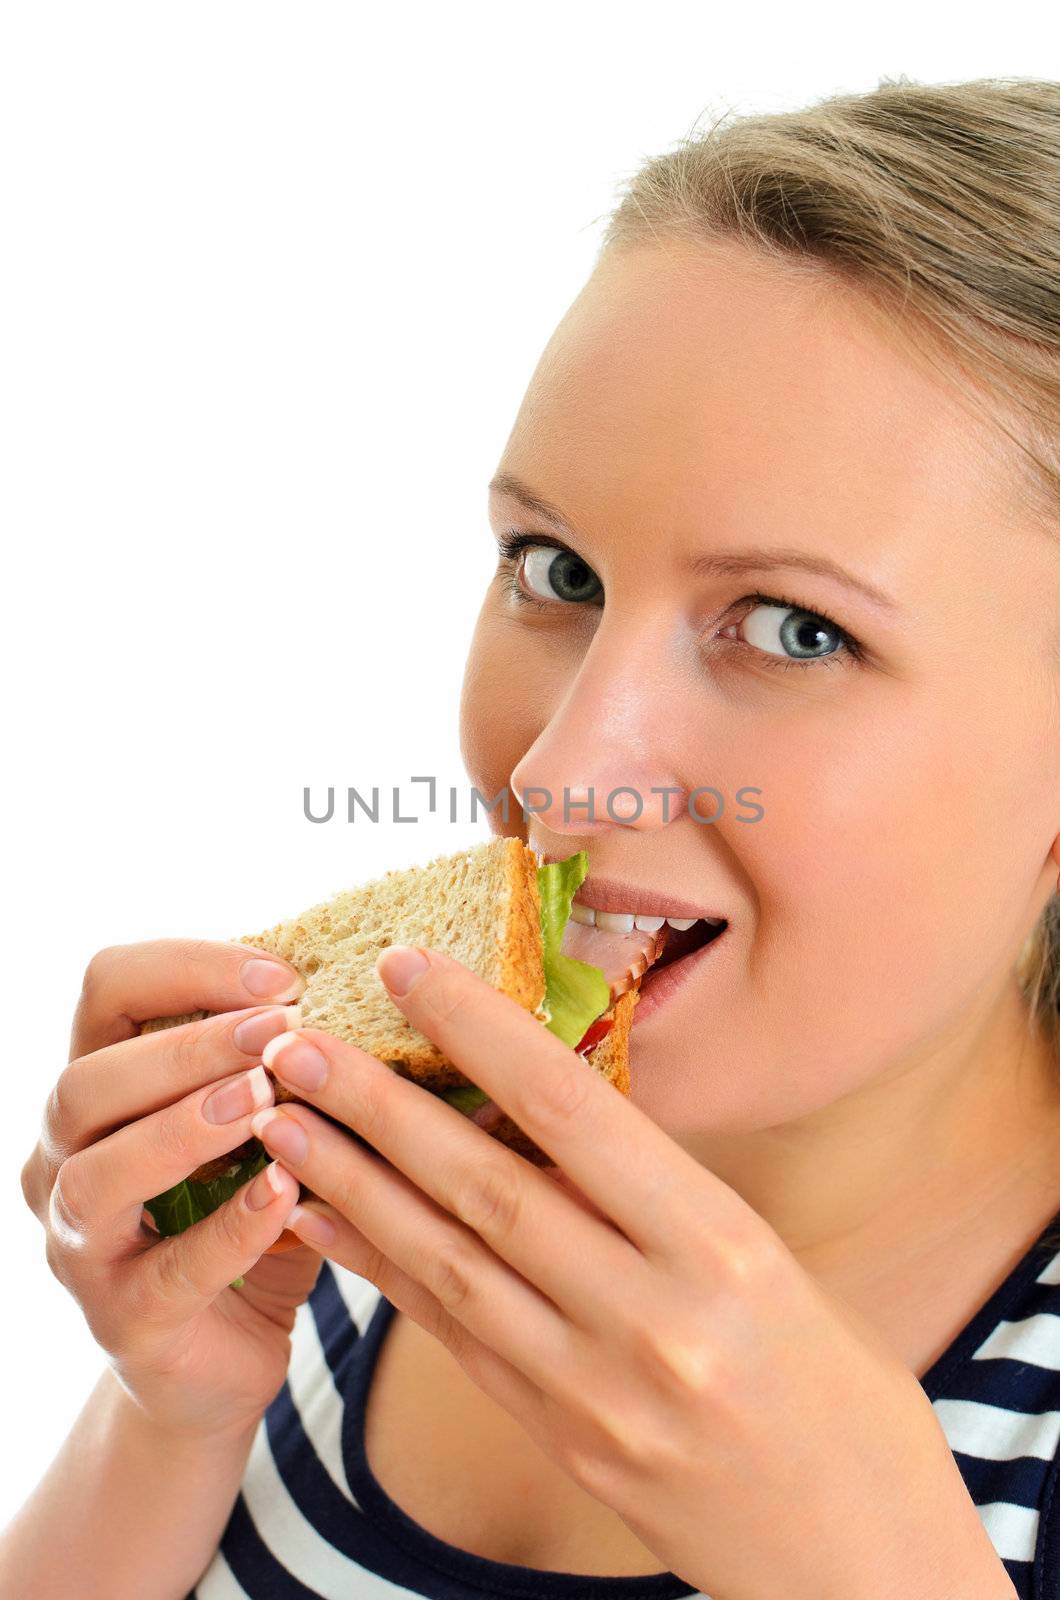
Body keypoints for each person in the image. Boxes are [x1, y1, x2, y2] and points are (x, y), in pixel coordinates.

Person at [5, 72, 1060, 1600]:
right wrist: (172, 1412)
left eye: (794, 628)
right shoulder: (381, 1181)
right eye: (555, 568)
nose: (566, 774)